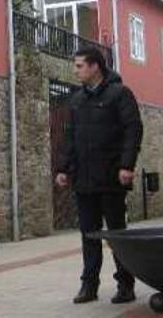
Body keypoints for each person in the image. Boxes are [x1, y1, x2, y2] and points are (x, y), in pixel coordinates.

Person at [55, 47, 143, 304]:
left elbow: (133, 131)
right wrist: (63, 168)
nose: (75, 70)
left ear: (95, 67)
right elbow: (69, 137)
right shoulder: (77, 100)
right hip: (84, 179)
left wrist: (127, 165)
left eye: (80, 66)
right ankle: (89, 286)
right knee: (88, 234)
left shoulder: (120, 94)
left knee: (117, 234)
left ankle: (125, 285)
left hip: (112, 178)